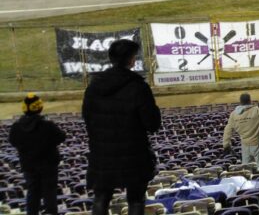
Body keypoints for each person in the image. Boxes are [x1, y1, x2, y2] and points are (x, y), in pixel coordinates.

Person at [83, 39, 161, 215]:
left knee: (101, 198)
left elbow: (87, 119)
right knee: (135, 200)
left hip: (102, 154)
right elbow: (152, 124)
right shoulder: (138, 86)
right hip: (134, 155)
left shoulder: (94, 86)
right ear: (132, 60)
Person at [9, 93, 65, 215]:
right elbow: (61, 137)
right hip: (48, 166)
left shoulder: (16, 127)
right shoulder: (48, 125)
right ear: (39, 107)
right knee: (49, 193)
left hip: (28, 166)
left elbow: (13, 141)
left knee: (32, 192)